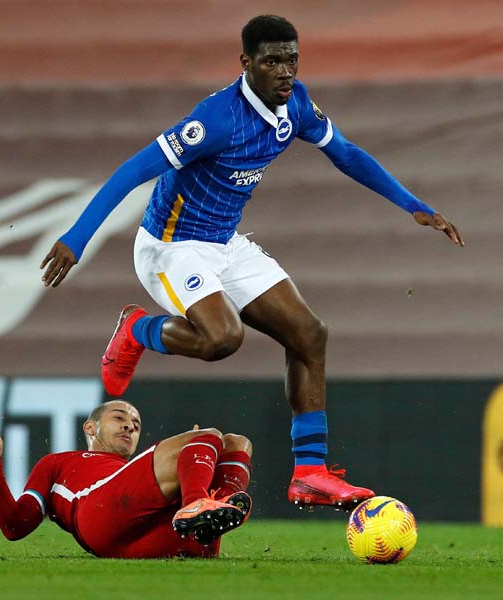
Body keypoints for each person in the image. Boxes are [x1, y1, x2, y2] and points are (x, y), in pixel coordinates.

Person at [39, 15, 464, 510]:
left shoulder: (296, 104)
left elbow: (346, 153)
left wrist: (414, 206)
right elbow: (133, 171)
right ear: (246, 63)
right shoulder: (215, 119)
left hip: (225, 243)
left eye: (292, 60)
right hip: (171, 247)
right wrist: (76, 238)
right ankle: (137, 330)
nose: (285, 71)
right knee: (223, 338)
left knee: (309, 334)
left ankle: (310, 474)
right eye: (272, 61)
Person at [0, 400, 253, 559]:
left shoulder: (134, 474)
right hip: (98, 512)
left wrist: (194, 458)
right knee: (210, 437)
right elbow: (15, 526)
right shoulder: (58, 462)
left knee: (237, 442)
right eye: (119, 417)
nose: (129, 426)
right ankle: (198, 504)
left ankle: (213, 517)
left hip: (155, 537)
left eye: (136, 424)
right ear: (90, 427)